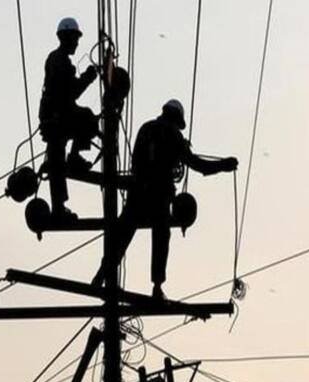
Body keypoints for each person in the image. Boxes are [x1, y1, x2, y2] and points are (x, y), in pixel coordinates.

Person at [92, 99, 237, 299]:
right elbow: (197, 165)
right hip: (159, 196)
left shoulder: (145, 129)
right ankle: (157, 287)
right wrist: (223, 165)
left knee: (122, 234)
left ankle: (101, 276)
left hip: (137, 193)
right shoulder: (174, 136)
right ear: (176, 119)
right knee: (161, 236)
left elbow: (136, 163)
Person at [38, 17, 99, 220]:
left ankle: (59, 207)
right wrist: (88, 78)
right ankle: (58, 209)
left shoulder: (58, 59)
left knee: (56, 164)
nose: (77, 43)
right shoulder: (60, 62)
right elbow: (70, 93)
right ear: (66, 37)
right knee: (87, 119)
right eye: (75, 38)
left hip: (56, 117)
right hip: (57, 120)